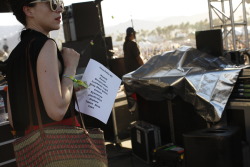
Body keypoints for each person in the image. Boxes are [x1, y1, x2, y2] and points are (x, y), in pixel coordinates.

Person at [6, 0, 81, 136]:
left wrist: (68, 86)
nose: (59, 9)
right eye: (52, 3)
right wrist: (70, 67)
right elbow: (57, 111)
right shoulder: (46, 45)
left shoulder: (14, 55)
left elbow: (13, 119)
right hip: (61, 145)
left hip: (32, 148)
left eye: (60, 2)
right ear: (29, 11)